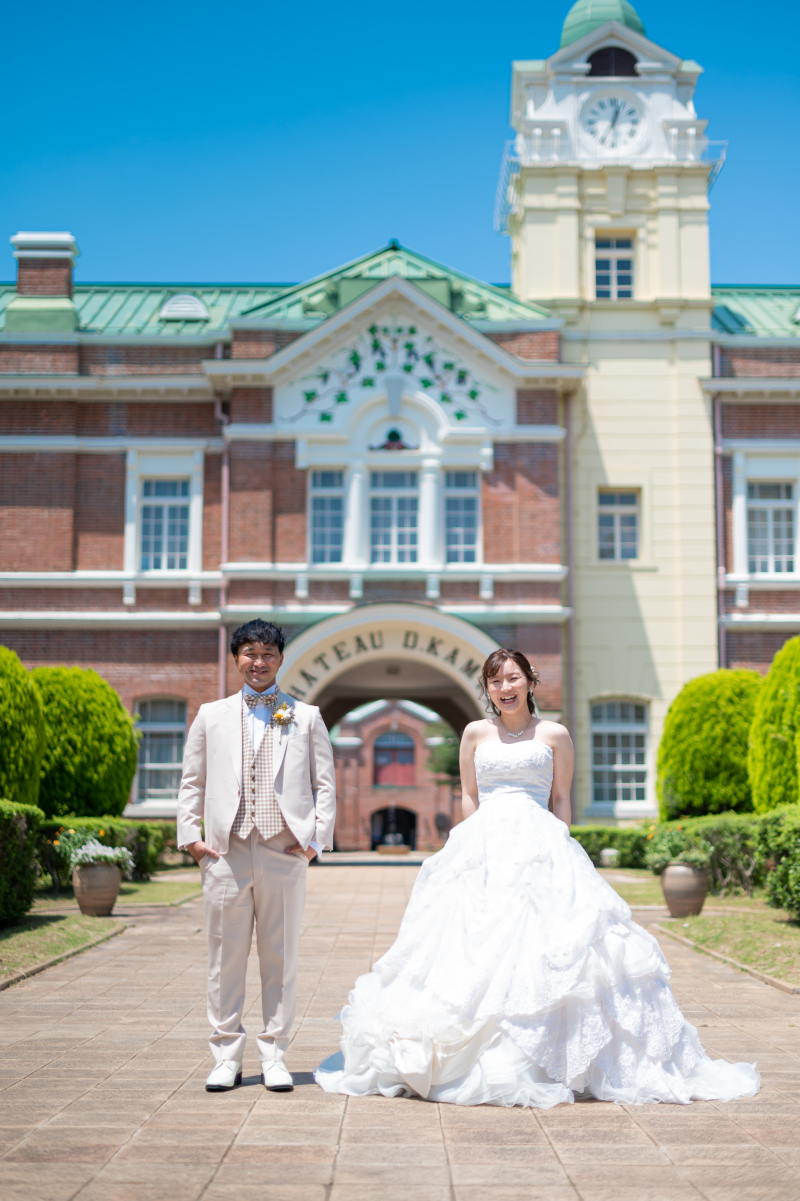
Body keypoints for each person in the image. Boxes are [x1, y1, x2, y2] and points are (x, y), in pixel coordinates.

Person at [314, 648, 759, 1108]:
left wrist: (560, 848)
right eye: (494, 682)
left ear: (529, 680)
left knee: (557, 948)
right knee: (470, 945)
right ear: (487, 690)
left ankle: (556, 1054)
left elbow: (560, 798)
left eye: (512, 679)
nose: (504, 689)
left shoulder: (554, 734)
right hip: (483, 845)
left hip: (539, 847)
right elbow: (470, 795)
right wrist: (470, 846)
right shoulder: (473, 733)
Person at [177, 618, 335, 1093]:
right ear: (237, 658)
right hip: (224, 851)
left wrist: (313, 843)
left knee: (280, 956)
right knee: (224, 957)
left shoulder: (305, 717)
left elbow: (324, 785)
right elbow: (193, 782)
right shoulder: (210, 714)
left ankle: (275, 1055)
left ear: (281, 659)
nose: (259, 662)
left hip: (283, 850)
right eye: (250, 653)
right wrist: (192, 839)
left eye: (268, 653)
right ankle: (226, 1054)